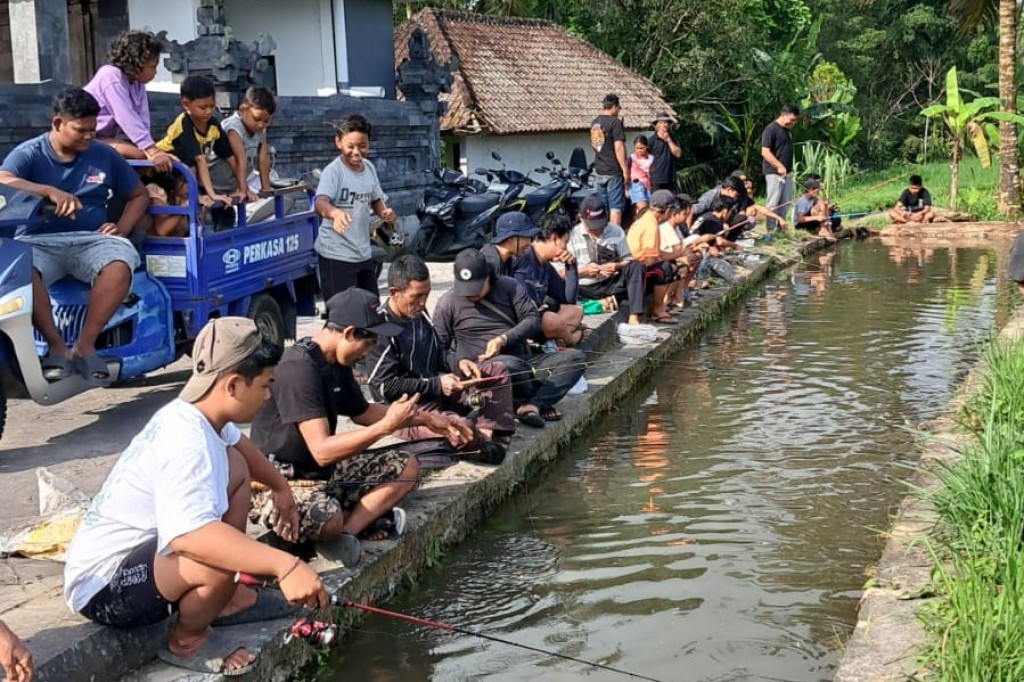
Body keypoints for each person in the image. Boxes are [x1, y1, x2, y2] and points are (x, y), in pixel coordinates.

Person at [63, 318, 327, 677]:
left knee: (236, 470)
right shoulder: (185, 441)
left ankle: (224, 598)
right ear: (233, 385)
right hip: (105, 586)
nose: (268, 397)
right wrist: (287, 566)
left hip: (149, 557)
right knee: (212, 557)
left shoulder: (202, 414)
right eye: (265, 386)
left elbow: (242, 449)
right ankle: (187, 641)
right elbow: (191, 537)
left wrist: (280, 488)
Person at [249, 288, 466, 547]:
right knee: (328, 519)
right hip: (284, 480)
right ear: (350, 333)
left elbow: (363, 413)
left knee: (408, 467)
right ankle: (350, 523)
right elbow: (321, 450)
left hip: (324, 473)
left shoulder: (336, 363)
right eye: (369, 344)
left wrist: (427, 419)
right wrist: (386, 427)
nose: (367, 354)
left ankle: (349, 534)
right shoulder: (299, 369)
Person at [0, 87, 148, 385]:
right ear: (57, 124)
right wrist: (47, 190)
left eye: (92, 130)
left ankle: (85, 346)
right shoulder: (30, 153)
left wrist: (121, 227)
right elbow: (3, 179)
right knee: (18, 269)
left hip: (91, 240)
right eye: (80, 130)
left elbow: (139, 194)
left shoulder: (103, 154)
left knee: (119, 264)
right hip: (39, 242)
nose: (88, 136)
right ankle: (57, 347)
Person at [366, 254, 516, 464]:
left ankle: (485, 435)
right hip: (412, 409)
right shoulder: (382, 328)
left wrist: (459, 363)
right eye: (416, 297)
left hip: (439, 394)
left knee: (496, 370)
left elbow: (439, 354)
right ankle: (480, 440)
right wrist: (436, 384)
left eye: (426, 295)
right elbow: (385, 387)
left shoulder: (420, 313)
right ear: (394, 293)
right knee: (457, 428)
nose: (422, 303)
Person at [434, 249, 587, 425]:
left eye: (476, 288)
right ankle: (525, 402)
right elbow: (439, 349)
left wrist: (504, 339)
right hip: (482, 369)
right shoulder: (447, 303)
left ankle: (532, 405)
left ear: (487, 278)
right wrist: (460, 363)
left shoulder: (509, 287)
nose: (471, 294)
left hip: (522, 362)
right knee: (506, 365)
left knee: (575, 358)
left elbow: (532, 320)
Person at [314, 114, 397, 299]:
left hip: (362, 252)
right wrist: (335, 214)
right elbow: (320, 202)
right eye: (350, 146)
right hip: (336, 255)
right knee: (342, 317)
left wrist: (384, 212)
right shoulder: (333, 172)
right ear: (338, 142)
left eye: (363, 146)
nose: (357, 152)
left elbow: (376, 199)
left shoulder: (369, 168)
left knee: (371, 309)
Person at [84, 29, 173, 172]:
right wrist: (150, 150)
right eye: (152, 67)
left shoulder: (138, 83)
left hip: (106, 138)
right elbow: (126, 116)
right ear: (136, 63)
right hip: (87, 137)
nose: (155, 72)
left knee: (148, 156)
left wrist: (152, 149)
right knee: (137, 155)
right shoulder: (111, 76)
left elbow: (143, 119)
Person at [155, 76, 242, 210]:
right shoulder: (184, 124)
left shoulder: (213, 125)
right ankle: (194, 196)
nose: (208, 111)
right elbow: (199, 160)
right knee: (194, 164)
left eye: (212, 106)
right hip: (165, 168)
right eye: (203, 107)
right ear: (186, 104)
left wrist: (243, 188)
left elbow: (229, 156)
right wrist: (212, 195)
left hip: (191, 169)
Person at [566, 194, 647, 325]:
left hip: (610, 282)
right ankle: (604, 302)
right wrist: (584, 271)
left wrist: (616, 266)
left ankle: (634, 316)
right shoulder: (571, 236)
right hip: (584, 286)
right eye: (593, 227)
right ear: (581, 218)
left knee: (636, 266)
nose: (598, 230)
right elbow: (561, 272)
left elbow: (628, 259)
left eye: (601, 226)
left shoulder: (615, 230)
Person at [512, 215, 585, 345]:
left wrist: (571, 266)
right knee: (551, 320)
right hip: (522, 322)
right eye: (565, 243)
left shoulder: (546, 266)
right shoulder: (524, 257)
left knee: (576, 311)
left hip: (537, 321)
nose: (566, 249)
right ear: (554, 238)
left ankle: (557, 339)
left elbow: (568, 299)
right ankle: (571, 339)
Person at [209, 86, 278, 221]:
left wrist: (266, 188)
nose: (261, 125)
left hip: (232, 188)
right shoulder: (233, 127)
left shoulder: (260, 129)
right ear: (243, 110)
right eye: (257, 119)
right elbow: (239, 159)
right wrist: (244, 189)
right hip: (215, 185)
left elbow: (263, 157)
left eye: (266, 121)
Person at [625, 189, 678, 323]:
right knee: (664, 269)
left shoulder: (647, 219)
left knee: (668, 264)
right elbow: (650, 260)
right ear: (667, 211)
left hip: (634, 266)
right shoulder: (651, 225)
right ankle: (658, 310)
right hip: (636, 269)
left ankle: (662, 306)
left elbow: (656, 254)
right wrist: (678, 254)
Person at [589, 93, 629, 226]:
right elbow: (619, 147)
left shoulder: (595, 123)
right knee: (615, 207)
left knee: (603, 207)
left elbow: (594, 146)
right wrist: (625, 170)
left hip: (599, 169)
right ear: (614, 106)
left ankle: (603, 234)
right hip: (613, 171)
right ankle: (614, 238)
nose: (618, 111)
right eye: (618, 108)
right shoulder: (615, 123)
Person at [760, 104, 799, 231]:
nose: (792, 123)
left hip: (787, 173)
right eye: (791, 120)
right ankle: (770, 229)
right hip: (774, 173)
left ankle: (781, 228)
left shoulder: (787, 131)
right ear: (783, 115)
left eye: (795, 121)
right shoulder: (771, 129)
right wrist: (779, 166)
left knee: (785, 201)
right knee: (774, 202)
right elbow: (765, 152)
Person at [481, 211, 536, 278]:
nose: (530, 243)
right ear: (510, 238)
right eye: (527, 237)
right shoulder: (489, 263)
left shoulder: (507, 259)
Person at [648, 112, 682, 192]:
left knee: (672, 202)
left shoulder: (673, 139)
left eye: (666, 122)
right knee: (657, 203)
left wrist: (669, 140)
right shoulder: (651, 141)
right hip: (656, 180)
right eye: (661, 122)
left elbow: (678, 154)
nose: (664, 125)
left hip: (671, 179)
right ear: (657, 125)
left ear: (669, 125)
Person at [629, 135, 654, 215]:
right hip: (636, 184)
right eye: (637, 148)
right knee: (643, 207)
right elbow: (626, 171)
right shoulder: (632, 158)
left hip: (648, 185)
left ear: (646, 147)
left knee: (650, 207)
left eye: (641, 148)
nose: (639, 150)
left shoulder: (651, 158)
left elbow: (652, 171)